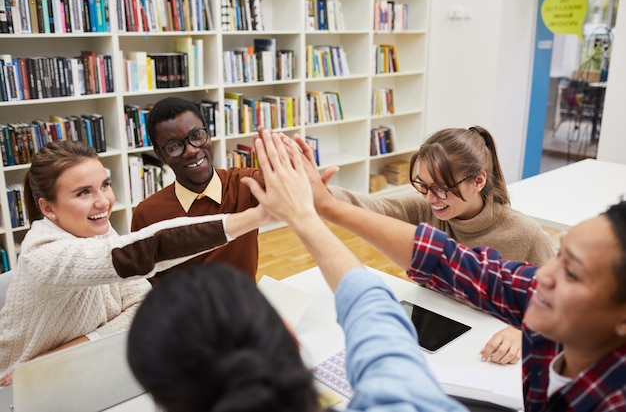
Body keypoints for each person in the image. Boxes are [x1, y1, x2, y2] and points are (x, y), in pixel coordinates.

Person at [127, 128, 467, 412]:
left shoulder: (238, 182)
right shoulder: (393, 399)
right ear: (291, 337)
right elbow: (375, 315)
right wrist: (309, 215)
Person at [294, 133, 626, 410]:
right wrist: (323, 203)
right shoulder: (546, 313)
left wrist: (518, 329)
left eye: (572, 273)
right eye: (559, 254)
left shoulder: (609, 398)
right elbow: (449, 261)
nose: (543, 277)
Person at [0, 141, 272, 385]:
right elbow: (146, 250)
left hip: (80, 368)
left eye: (105, 185)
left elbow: (140, 301)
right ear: (48, 208)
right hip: (19, 385)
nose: (103, 201)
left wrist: (79, 345)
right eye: (83, 193)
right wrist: (254, 217)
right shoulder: (42, 255)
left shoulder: (98, 231)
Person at [296, 126, 556, 365]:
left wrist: (522, 331)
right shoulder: (425, 207)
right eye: (423, 185)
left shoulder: (526, 234)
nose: (431, 198)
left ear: (478, 181)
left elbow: (560, 305)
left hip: (484, 352)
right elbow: (373, 208)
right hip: (431, 335)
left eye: (442, 189)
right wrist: (320, 193)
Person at [131, 97, 264, 283]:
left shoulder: (247, 184)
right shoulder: (147, 214)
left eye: (196, 136)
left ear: (208, 134)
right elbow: (146, 287)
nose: (191, 151)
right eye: (174, 146)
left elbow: (296, 196)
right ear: (160, 154)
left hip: (244, 305)